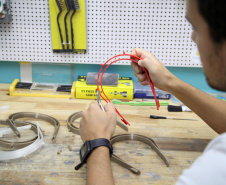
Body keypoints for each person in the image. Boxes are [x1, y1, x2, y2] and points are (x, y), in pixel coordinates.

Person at [79, 0, 226, 184]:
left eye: (196, 27)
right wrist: (168, 82)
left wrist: (96, 142)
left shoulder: (217, 168)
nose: (192, 38)